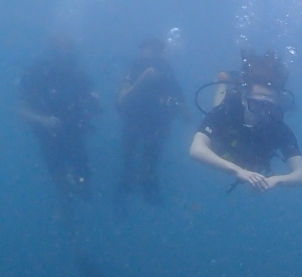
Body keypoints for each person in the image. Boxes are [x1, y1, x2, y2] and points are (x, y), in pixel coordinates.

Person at [189, 49, 302, 192]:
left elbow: (301, 174)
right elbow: (196, 149)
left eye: (268, 107)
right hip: (225, 145)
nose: (262, 113)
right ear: (244, 100)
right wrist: (237, 170)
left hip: (244, 157)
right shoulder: (227, 112)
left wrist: (277, 180)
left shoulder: (279, 128)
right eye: (256, 105)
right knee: (219, 104)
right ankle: (223, 81)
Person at [18, 36, 100, 226]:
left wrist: (95, 101)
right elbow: (21, 109)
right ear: (51, 51)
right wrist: (42, 120)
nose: (65, 53)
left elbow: (95, 106)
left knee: (85, 188)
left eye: (69, 48)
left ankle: (73, 188)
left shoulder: (79, 75)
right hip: (49, 135)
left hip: (75, 133)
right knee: (60, 182)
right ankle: (66, 207)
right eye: (61, 48)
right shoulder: (36, 74)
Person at [116, 37, 186, 206]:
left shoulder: (166, 71)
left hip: (157, 124)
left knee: (150, 164)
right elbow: (121, 101)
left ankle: (148, 190)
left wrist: (178, 108)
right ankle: (125, 193)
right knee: (128, 162)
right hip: (134, 119)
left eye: (155, 50)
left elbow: (182, 107)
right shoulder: (134, 67)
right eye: (147, 49)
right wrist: (142, 80)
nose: (149, 54)